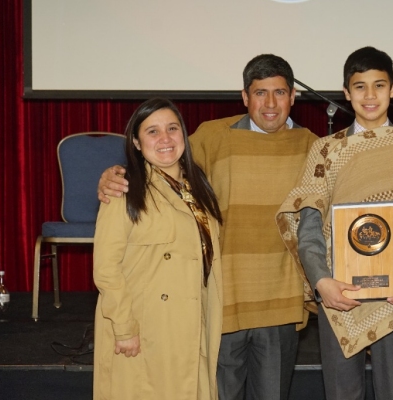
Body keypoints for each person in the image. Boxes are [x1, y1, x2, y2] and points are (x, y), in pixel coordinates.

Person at [97, 55, 319, 400]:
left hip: (281, 299)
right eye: (260, 93)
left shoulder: (314, 147)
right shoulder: (212, 136)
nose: (270, 103)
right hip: (222, 300)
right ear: (245, 96)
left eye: (280, 92)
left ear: (294, 97)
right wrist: (116, 174)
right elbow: (164, 161)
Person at [276, 46, 393, 400]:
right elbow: (308, 226)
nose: (370, 96)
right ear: (346, 93)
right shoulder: (325, 150)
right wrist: (322, 282)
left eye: (379, 86)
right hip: (339, 295)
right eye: (359, 87)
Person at [93, 98, 223, 400]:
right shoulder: (124, 189)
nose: (165, 139)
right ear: (136, 143)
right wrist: (124, 327)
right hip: (144, 326)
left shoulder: (198, 187)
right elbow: (106, 268)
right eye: (152, 132)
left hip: (191, 321)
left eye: (172, 128)